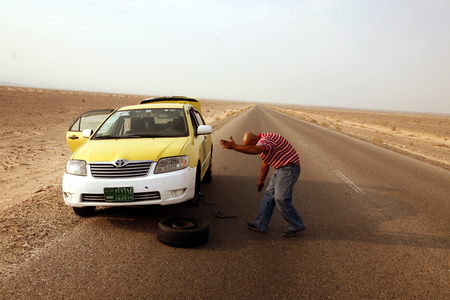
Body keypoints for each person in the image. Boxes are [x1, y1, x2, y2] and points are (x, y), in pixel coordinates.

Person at [220, 132, 305, 237]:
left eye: (249, 146)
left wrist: (234, 146)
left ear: (255, 141)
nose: (248, 148)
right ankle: (260, 224)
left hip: (290, 169)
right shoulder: (262, 144)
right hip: (280, 169)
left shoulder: (266, 140)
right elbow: (265, 163)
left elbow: (255, 150)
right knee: (268, 196)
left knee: (281, 198)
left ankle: (296, 224)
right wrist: (261, 180)